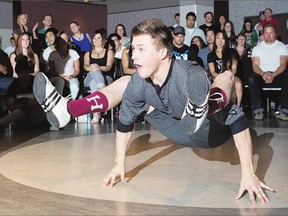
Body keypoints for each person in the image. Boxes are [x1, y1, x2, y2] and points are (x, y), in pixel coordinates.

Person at [33, 18, 273, 204]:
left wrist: (248, 173)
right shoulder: (140, 80)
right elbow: (124, 124)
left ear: (162, 52)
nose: (133, 56)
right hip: (177, 126)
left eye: (140, 49)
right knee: (128, 83)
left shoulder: (187, 74)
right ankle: (68, 109)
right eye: (132, 49)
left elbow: (238, 120)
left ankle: (204, 106)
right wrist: (119, 162)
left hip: (212, 131)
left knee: (226, 74)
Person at [247, 23, 288, 120]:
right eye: (266, 33)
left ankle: (284, 110)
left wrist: (273, 75)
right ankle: (258, 111)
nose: (268, 35)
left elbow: (283, 65)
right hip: (262, 74)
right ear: (262, 33)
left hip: (277, 74)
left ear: (275, 34)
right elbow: (255, 66)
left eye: (271, 33)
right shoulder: (257, 48)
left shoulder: (282, 46)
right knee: (251, 79)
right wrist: (263, 74)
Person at [0, 55, 45, 131]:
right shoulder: (13, 86)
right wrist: (22, 105)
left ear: (29, 72)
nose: (23, 75)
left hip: (36, 114)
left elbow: (43, 101)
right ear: (17, 74)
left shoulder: (36, 83)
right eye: (21, 73)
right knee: (17, 112)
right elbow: (11, 106)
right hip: (21, 117)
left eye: (25, 72)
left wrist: (32, 103)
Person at [83, 29, 114, 123]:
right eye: (94, 38)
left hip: (106, 77)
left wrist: (99, 68)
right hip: (89, 77)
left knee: (94, 83)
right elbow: (85, 67)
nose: (96, 40)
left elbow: (109, 67)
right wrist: (92, 68)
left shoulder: (108, 52)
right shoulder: (88, 53)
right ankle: (102, 91)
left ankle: (96, 113)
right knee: (94, 74)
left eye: (99, 38)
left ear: (103, 40)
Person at [208, 31, 242, 107]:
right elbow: (213, 72)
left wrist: (228, 76)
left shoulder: (232, 52)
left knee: (238, 84)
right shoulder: (210, 55)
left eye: (223, 38)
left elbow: (234, 68)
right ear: (215, 39)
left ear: (226, 40)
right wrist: (222, 78)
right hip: (217, 77)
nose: (220, 41)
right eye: (218, 38)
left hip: (230, 76)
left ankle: (238, 107)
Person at [47, 36, 80, 100]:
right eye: (61, 38)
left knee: (75, 86)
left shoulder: (73, 53)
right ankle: (58, 104)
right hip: (57, 77)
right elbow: (52, 71)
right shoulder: (53, 54)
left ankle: (71, 104)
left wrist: (70, 77)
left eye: (65, 38)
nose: (63, 41)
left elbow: (77, 70)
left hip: (71, 77)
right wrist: (62, 76)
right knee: (60, 82)